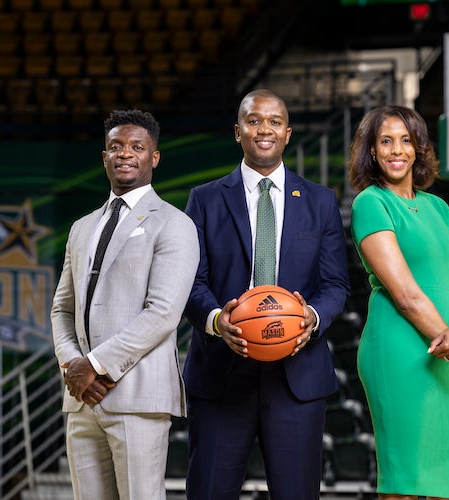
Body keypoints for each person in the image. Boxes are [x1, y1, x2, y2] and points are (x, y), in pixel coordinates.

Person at [183, 88, 351, 499]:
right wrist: (217, 321)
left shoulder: (320, 201)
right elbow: (189, 281)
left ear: (288, 133)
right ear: (237, 131)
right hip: (221, 374)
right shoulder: (204, 200)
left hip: (297, 376)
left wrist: (309, 317)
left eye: (274, 122)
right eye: (254, 120)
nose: (264, 129)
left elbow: (335, 285)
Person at [50, 109, 200, 499]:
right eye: (115, 146)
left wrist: (94, 365)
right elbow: (62, 309)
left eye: (137, 146)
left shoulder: (174, 223)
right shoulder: (82, 227)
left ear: (154, 157)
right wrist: (73, 366)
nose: (125, 154)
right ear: (104, 157)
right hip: (82, 397)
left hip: (137, 397)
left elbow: (163, 313)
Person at [348, 105, 449, 500]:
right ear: (372, 152)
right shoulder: (370, 203)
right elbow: (408, 298)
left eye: (406, 140)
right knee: (405, 482)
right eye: (386, 141)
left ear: (419, 148)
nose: (397, 150)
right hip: (399, 351)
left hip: (446, 350)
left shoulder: (439, 207)